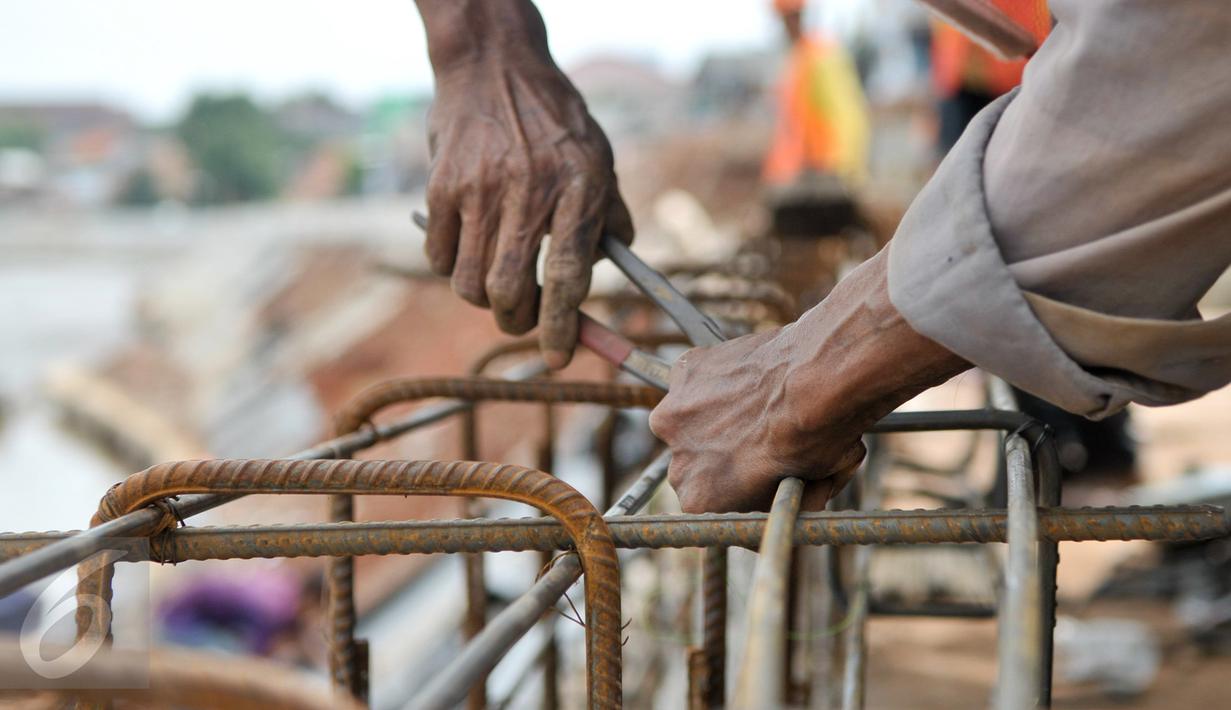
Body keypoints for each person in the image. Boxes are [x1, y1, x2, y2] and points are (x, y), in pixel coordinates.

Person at [412, 0, 1231, 513]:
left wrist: (798, 383)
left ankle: (1086, 451)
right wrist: (480, 38)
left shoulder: (820, 59)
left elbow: (1181, 71)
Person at [762, 0, 870, 187]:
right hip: (804, 172)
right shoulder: (799, 58)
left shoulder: (821, 55)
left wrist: (841, 168)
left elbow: (846, 115)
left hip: (827, 170)